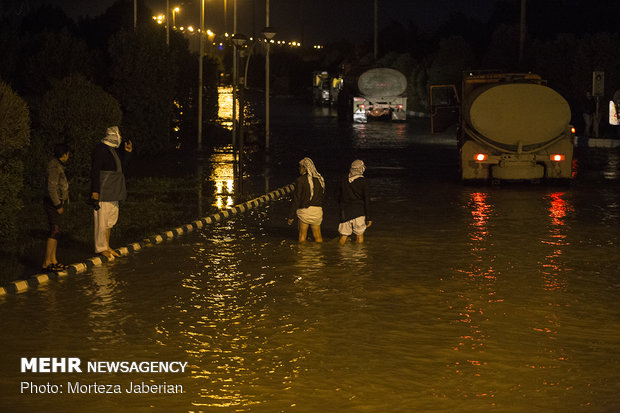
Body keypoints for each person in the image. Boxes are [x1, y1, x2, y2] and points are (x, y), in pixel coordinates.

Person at [90, 126, 132, 259]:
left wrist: (127, 153)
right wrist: (95, 191)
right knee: (101, 221)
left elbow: (120, 170)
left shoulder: (114, 151)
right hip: (104, 191)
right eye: (118, 134)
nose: (120, 137)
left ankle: (107, 245)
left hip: (114, 191)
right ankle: (101, 248)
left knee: (110, 221)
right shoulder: (100, 150)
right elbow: (95, 171)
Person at [42, 143, 71, 271]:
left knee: (57, 231)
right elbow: (51, 187)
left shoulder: (58, 166)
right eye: (68, 154)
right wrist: (58, 204)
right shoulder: (54, 167)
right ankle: (47, 262)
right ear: (63, 154)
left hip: (57, 202)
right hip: (53, 203)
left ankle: (53, 260)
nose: (68, 157)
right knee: (54, 230)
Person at [287, 157, 325, 242]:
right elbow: (322, 196)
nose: (299, 169)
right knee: (318, 236)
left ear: (305, 168)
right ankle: (319, 254)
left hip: (305, 211)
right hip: (317, 211)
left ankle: (302, 254)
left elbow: (297, 199)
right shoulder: (320, 180)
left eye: (300, 167)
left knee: (302, 236)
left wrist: (291, 216)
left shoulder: (300, 180)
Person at [337, 159, 372, 244]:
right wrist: (368, 217)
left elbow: (337, 196)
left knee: (344, 236)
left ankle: (340, 255)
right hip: (359, 212)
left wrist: (341, 208)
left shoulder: (343, 180)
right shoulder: (364, 181)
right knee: (359, 236)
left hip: (345, 211)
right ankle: (359, 255)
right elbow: (367, 200)